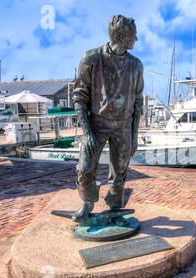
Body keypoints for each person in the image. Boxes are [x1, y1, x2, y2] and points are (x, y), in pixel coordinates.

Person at [71, 15, 144, 221]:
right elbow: (79, 96)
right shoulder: (92, 58)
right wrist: (87, 132)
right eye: (133, 35)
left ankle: (115, 207)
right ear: (122, 36)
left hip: (123, 126)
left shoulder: (136, 65)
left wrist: (134, 134)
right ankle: (86, 203)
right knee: (85, 167)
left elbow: (138, 103)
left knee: (120, 171)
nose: (136, 39)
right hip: (96, 124)